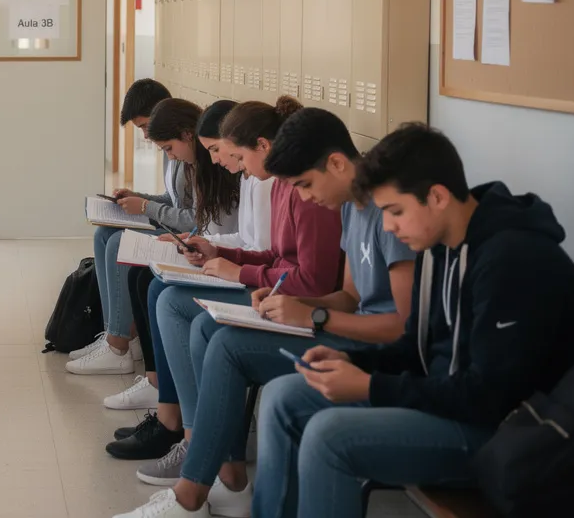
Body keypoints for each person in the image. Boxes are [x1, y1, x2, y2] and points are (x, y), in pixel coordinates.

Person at [251, 123, 574, 518]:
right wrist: (354, 361)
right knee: (283, 396)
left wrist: (371, 385)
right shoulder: (442, 246)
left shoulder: (512, 259)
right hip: (448, 400)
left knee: (328, 438)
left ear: (437, 197)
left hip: (509, 434)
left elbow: (489, 397)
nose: (388, 227)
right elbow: (418, 348)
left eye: (395, 211)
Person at [118, 108, 416, 517]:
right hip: (341, 326)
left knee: (224, 344)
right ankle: (213, 480)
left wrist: (313, 314)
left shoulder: (390, 212)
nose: (305, 197)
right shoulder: (351, 205)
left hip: (367, 348)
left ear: (336, 164)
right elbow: (348, 296)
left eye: (305, 185)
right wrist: (299, 307)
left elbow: (401, 327)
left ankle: (196, 490)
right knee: (211, 331)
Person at [110, 97, 342, 461]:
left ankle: (192, 437)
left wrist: (237, 268)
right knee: (156, 287)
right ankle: (187, 428)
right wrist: (217, 251)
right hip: (270, 283)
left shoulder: (290, 188)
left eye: (228, 153)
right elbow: (271, 252)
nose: (221, 162)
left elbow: (306, 277)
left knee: (173, 303)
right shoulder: (273, 181)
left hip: (283, 295)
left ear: (261, 146)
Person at [108, 99, 272, 413]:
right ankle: (157, 385)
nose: (215, 159)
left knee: (161, 292)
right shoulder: (244, 175)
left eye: (216, 150)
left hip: (248, 277)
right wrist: (204, 244)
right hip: (229, 260)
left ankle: (172, 404)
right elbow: (239, 238)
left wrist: (214, 250)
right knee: (140, 272)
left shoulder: (258, 181)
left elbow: (264, 252)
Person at [72, 78, 173, 375]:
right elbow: (172, 200)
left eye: (145, 126)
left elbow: (196, 217)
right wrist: (138, 197)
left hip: (186, 237)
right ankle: (115, 334)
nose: (145, 135)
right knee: (104, 233)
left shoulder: (185, 150)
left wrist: (145, 207)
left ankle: (118, 347)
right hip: (172, 224)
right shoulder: (171, 151)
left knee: (120, 243)